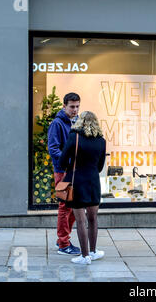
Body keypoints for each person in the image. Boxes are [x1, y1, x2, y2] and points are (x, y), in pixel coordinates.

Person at [59, 111, 106, 265]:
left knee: (80, 221)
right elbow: (100, 166)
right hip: (93, 182)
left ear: (80, 122)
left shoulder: (75, 137)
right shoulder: (101, 141)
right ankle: (93, 252)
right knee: (93, 219)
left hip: (77, 181)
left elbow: (62, 160)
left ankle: (84, 256)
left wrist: (71, 166)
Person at [48, 92, 81, 256]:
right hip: (63, 172)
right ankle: (63, 244)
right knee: (65, 207)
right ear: (64, 106)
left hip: (75, 171)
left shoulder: (77, 122)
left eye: (77, 107)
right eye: (72, 107)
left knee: (74, 207)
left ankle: (63, 238)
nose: (75, 110)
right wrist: (68, 162)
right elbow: (53, 149)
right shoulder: (57, 123)